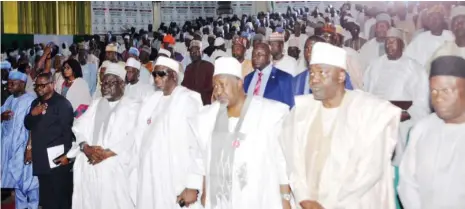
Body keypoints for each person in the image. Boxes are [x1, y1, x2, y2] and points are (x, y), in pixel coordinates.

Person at [282, 42, 401, 209]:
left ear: (341, 76)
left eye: (322, 72)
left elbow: (369, 171)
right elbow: (293, 161)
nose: (313, 80)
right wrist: (304, 198)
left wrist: (331, 205)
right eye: (311, 73)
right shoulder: (301, 113)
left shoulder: (368, 113)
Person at [188, 57, 291, 209]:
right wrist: (204, 191)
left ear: (239, 83)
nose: (217, 91)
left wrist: (285, 198)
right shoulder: (207, 118)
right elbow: (201, 158)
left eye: (222, 85)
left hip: (257, 198)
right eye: (215, 86)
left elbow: (281, 161)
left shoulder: (268, 113)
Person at [132, 56, 203, 209]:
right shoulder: (151, 101)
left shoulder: (188, 100)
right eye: (154, 74)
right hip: (149, 175)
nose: (156, 78)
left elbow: (197, 145)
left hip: (173, 176)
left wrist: (193, 183)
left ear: (174, 76)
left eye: (161, 74)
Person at [398, 50, 465, 209]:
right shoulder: (422, 129)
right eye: (433, 91)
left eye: (446, 90)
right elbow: (407, 183)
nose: (438, 98)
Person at [68, 63, 139, 209]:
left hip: (114, 170)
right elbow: (79, 128)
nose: (105, 86)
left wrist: (105, 154)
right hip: (90, 165)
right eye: (103, 83)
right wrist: (85, 147)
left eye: (110, 83)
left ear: (122, 84)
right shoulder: (95, 104)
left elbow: (133, 137)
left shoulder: (132, 107)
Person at [364, 27, 430, 165]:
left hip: (404, 121)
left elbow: (422, 101)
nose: (389, 45)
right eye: (387, 42)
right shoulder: (375, 66)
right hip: (378, 118)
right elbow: (367, 94)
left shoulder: (414, 68)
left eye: (393, 41)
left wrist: (406, 114)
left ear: (402, 44)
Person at [24, 72, 74, 209]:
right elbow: (28, 125)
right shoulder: (36, 102)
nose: (39, 88)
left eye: (43, 85)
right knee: (46, 199)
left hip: (57, 159)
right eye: (37, 85)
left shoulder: (63, 104)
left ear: (52, 84)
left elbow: (68, 133)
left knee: (60, 198)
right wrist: (33, 114)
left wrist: (68, 157)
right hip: (41, 158)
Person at [1, 71, 39, 209]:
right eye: (9, 82)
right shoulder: (9, 100)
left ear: (22, 84)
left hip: (25, 147)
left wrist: (30, 148)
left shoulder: (31, 100)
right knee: (17, 184)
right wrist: (1, 117)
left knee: (30, 184)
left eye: (13, 83)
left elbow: (35, 125)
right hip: (12, 150)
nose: (9, 85)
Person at [244, 42, 295, 108]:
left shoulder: (284, 78)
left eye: (260, 54)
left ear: (269, 56)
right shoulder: (247, 79)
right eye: (253, 54)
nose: (255, 57)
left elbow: (290, 108)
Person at [182, 41, 215, 105]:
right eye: (191, 52)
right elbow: (185, 85)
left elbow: (211, 86)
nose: (193, 54)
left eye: (196, 51)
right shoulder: (189, 67)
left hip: (206, 102)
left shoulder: (209, 66)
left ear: (201, 53)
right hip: (191, 101)